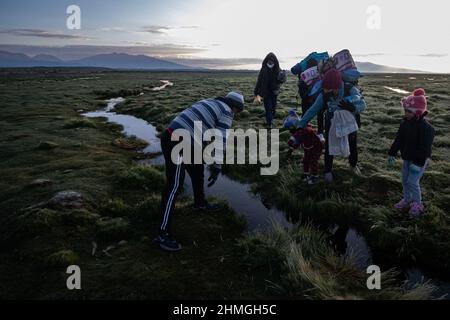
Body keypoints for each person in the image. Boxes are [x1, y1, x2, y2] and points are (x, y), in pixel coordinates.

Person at [155, 92, 245, 251]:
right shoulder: (226, 111)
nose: (235, 115)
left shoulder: (210, 101)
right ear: (235, 107)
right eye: (237, 112)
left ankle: (200, 203)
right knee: (174, 185)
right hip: (178, 141)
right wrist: (217, 166)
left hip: (175, 135)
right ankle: (161, 233)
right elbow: (220, 139)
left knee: (197, 170)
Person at [297, 69, 366, 182]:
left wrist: (353, 108)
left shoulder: (350, 89)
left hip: (348, 123)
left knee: (352, 144)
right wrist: (300, 125)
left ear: (336, 86)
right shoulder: (324, 94)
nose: (325, 91)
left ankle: (353, 165)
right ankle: (328, 171)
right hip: (331, 122)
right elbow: (312, 110)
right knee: (329, 146)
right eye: (325, 88)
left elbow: (363, 104)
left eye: (328, 88)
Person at [388, 88, 434, 217]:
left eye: (409, 111)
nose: (406, 113)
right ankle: (407, 199)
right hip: (407, 158)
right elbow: (399, 139)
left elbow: (425, 148)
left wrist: (418, 163)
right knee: (404, 180)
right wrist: (392, 152)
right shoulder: (405, 123)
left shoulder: (426, 128)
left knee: (413, 182)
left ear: (418, 112)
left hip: (419, 160)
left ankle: (417, 204)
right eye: (405, 110)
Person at [283, 110, 324, 185]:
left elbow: (296, 138)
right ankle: (306, 173)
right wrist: (292, 148)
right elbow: (297, 141)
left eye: (290, 129)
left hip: (316, 147)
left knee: (313, 160)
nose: (290, 131)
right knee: (305, 160)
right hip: (308, 146)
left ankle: (315, 176)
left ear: (294, 126)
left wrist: (291, 143)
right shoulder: (300, 129)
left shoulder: (303, 130)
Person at [254, 52, 287, 128]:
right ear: (267, 61)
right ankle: (269, 123)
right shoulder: (263, 69)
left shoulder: (277, 69)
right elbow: (259, 80)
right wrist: (256, 91)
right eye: (269, 61)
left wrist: (283, 77)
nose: (271, 63)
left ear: (275, 61)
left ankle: (270, 120)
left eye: (272, 61)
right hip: (265, 92)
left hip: (274, 92)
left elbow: (281, 80)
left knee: (273, 108)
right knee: (268, 108)